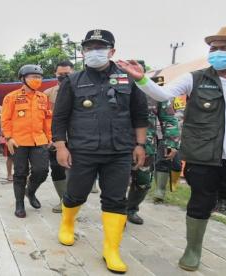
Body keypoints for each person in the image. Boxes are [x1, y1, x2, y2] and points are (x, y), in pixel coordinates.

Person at [117, 26, 226, 275]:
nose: (217, 53)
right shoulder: (195, 78)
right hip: (205, 156)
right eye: (213, 49)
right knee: (200, 204)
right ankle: (192, 250)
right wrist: (141, 78)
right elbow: (163, 94)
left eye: (224, 49)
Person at [52, 29, 148, 274]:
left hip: (119, 151)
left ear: (112, 51)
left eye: (100, 47)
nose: (94, 52)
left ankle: (111, 249)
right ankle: (67, 223)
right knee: (76, 193)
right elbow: (60, 117)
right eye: (89, 47)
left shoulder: (128, 79)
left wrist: (140, 145)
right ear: (83, 52)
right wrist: (61, 146)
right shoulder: (72, 81)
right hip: (83, 149)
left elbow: (140, 114)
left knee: (116, 199)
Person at [127, 76, 180, 224]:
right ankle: (116, 214)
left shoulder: (154, 94)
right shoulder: (114, 91)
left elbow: (169, 119)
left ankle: (130, 209)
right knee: (116, 183)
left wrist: (172, 143)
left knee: (143, 183)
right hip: (118, 147)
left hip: (146, 148)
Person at [1, 64, 52, 218]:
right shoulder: (11, 97)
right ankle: (19, 203)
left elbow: (47, 119)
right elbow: (6, 119)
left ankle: (30, 192)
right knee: (20, 173)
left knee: (42, 171)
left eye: (39, 77)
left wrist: (49, 137)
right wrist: (9, 138)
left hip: (39, 140)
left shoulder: (43, 97)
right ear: (23, 79)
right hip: (19, 141)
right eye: (33, 77)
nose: (37, 80)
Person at [44, 60, 74, 213]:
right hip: (55, 137)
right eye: (60, 74)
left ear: (73, 72)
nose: (63, 76)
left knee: (75, 169)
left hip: (77, 137)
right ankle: (63, 200)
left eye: (67, 74)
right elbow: (41, 118)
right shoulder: (47, 94)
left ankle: (72, 201)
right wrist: (48, 137)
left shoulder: (82, 90)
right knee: (57, 168)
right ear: (55, 74)